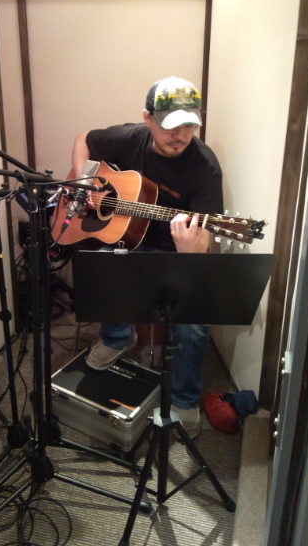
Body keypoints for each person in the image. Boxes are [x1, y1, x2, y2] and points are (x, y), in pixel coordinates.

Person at [71, 76, 223, 438]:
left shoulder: (205, 167)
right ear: (148, 119)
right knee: (102, 265)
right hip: (129, 239)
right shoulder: (130, 138)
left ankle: (184, 399)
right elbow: (83, 139)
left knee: (194, 320)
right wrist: (82, 183)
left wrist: (189, 247)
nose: (181, 136)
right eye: (171, 126)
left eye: (189, 126)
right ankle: (117, 337)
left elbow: (202, 243)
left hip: (175, 251)